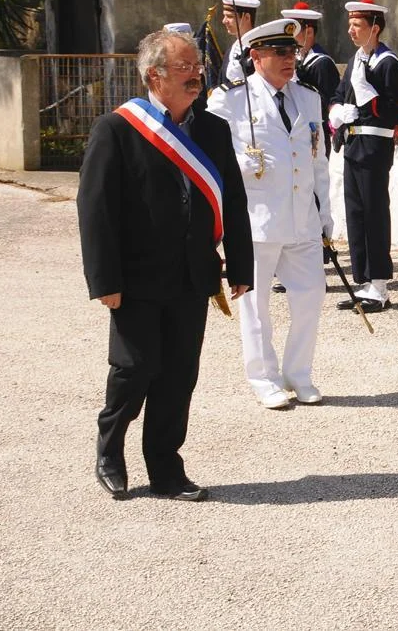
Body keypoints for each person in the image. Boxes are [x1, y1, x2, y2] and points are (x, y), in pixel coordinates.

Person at [78, 28, 253, 501]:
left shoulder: (212, 129)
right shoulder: (117, 129)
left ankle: (165, 469)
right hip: (134, 279)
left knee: (178, 375)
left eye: (197, 67)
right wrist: (104, 280)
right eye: (185, 68)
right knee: (134, 369)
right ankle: (110, 448)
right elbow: (95, 210)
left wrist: (240, 266)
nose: (197, 75)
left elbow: (232, 201)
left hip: (192, 275)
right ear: (154, 76)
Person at [206, 19, 333, 410]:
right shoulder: (230, 100)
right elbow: (215, 164)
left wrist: (326, 216)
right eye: (279, 53)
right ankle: (263, 377)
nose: (289, 59)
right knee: (255, 304)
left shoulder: (308, 97)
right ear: (255, 56)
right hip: (256, 220)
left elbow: (319, 163)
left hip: (302, 220)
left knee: (312, 295)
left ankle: (300, 372)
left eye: (292, 52)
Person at [329, 0, 398, 312]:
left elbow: (393, 111)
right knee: (356, 214)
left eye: (357, 25)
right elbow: (337, 93)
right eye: (350, 24)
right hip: (353, 146)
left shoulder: (388, 64)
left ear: (375, 27)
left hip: (374, 147)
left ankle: (380, 285)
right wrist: (337, 110)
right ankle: (363, 281)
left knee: (374, 214)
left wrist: (366, 95)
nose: (351, 30)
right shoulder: (355, 60)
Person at [281, 1, 342, 154]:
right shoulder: (297, 59)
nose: (291, 35)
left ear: (309, 31)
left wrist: (299, 85)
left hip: (314, 133)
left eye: (295, 30)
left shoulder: (322, 63)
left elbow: (327, 103)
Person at [220, 0, 260, 83]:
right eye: (224, 16)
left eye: (230, 17)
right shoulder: (231, 50)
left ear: (246, 18)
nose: (224, 21)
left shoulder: (259, 50)